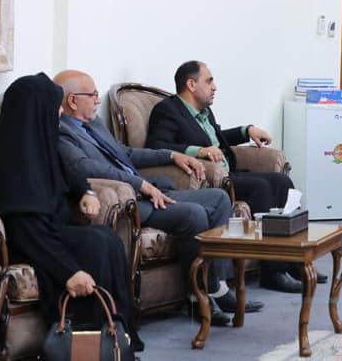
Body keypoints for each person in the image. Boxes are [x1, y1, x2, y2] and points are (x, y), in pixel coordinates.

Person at [54, 70, 264, 326]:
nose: (98, 100)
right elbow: (87, 168)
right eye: (93, 95)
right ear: (73, 100)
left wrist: (171, 156)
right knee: (193, 214)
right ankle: (197, 297)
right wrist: (140, 185)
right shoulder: (62, 133)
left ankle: (216, 286)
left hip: (151, 189)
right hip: (130, 201)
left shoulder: (94, 124)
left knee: (219, 199)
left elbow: (126, 153)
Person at [0, 74, 143, 352]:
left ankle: (116, 340)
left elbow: (69, 173)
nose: (60, 113)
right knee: (96, 247)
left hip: (47, 233)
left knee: (107, 240)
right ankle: (85, 348)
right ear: (36, 112)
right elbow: (25, 232)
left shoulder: (37, 147)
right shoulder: (8, 165)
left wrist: (86, 192)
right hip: (24, 244)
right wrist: (69, 272)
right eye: (54, 107)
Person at [147, 60, 326, 293]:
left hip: (230, 173)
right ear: (191, 84)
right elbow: (156, 146)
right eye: (209, 81)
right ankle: (273, 272)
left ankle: (294, 261)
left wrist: (246, 131)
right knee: (261, 187)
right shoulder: (167, 110)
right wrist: (198, 151)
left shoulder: (204, 112)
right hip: (210, 181)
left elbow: (217, 138)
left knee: (282, 181)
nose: (215, 87)